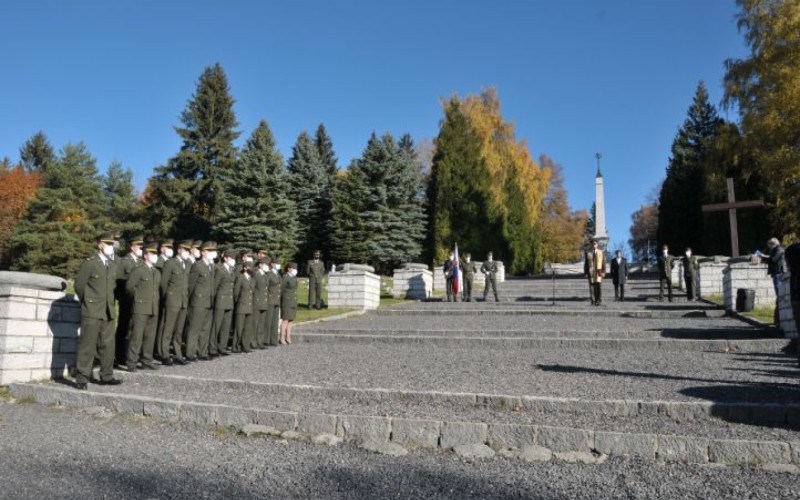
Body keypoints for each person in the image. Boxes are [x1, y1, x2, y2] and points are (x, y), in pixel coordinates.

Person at [73, 231, 122, 390]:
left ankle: (106, 375)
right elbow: (79, 285)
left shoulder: (113, 264)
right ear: (99, 244)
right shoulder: (90, 263)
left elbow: (115, 287)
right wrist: (87, 302)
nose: (110, 247)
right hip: (92, 309)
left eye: (111, 244)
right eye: (108, 244)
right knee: (87, 344)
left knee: (108, 345)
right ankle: (82, 377)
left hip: (108, 310)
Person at [125, 242, 161, 371]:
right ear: (145, 255)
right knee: (136, 336)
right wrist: (138, 298)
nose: (155, 256)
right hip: (140, 307)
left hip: (153, 308)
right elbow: (129, 287)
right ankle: (131, 362)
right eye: (152, 253)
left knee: (150, 337)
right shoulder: (139, 270)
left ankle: (147, 360)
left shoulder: (156, 272)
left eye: (156, 253)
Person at [158, 240, 191, 365]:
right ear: (179, 250)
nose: (187, 252)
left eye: (189, 250)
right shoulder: (170, 263)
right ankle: (164, 354)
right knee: (168, 328)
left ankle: (178, 354)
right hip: (172, 300)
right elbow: (164, 284)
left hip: (183, 300)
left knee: (179, 330)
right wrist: (167, 298)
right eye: (185, 250)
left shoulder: (187, 264)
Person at [114, 234, 143, 367]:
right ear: (132, 247)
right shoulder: (125, 261)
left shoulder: (140, 262)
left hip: (138, 301)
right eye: (139, 246)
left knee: (133, 329)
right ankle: (118, 355)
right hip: (127, 300)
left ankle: (129, 355)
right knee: (123, 328)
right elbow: (119, 282)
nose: (141, 249)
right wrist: (122, 298)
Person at [185, 241, 216, 361]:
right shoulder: (197, 265)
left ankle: (202, 352)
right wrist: (193, 299)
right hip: (198, 301)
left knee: (205, 328)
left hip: (209, 301)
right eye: (210, 251)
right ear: (203, 252)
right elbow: (191, 284)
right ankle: (190, 353)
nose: (212, 253)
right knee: (194, 328)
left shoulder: (211, 266)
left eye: (213, 251)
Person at [757, 237, 787, 325]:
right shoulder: (775, 250)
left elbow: (774, 259)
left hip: (779, 273)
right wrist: (763, 258)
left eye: (769, 245)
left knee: (779, 294)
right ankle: (777, 320)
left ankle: (778, 319)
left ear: (773, 244)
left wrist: (764, 256)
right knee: (778, 294)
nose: (768, 247)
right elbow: (772, 260)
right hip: (776, 273)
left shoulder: (779, 249)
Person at [211, 250, 236, 356]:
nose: (233, 260)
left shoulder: (232, 270)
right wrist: (213, 300)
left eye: (234, 259)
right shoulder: (220, 270)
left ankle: (222, 347)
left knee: (226, 326)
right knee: (216, 326)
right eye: (231, 258)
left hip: (229, 301)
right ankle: (212, 348)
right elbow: (215, 286)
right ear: (225, 258)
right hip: (220, 301)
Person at [233, 262, 255, 352]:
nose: (251, 269)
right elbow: (236, 293)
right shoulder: (240, 278)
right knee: (239, 327)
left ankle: (245, 345)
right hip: (242, 306)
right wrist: (239, 302)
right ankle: (236, 346)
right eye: (249, 267)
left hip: (249, 306)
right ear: (245, 268)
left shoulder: (251, 279)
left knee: (247, 328)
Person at [252, 257, 270, 349]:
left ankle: (260, 341)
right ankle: (253, 342)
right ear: (260, 265)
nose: (267, 266)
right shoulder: (256, 274)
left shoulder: (265, 275)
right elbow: (252, 288)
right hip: (257, 302)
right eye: (265, 264)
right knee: (255, 322)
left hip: (264, 302)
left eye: (267, 264)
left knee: (261, 323)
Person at [280, 262, 299, 345]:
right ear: (289, 269)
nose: (295, 270)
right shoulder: (285, 277)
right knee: (285, 320)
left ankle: (288, 336)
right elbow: (281, 289)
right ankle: (282, 337)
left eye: (296, 269)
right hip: (287, 301)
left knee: (291, 320)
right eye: (293, 268)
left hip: (293, 301)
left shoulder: (294, 278)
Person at [584, 239, 605, 306]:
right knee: (592, 287)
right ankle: (593, 301)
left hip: (598, 271)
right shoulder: (588, 253)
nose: (594, 245)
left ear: (597, 244)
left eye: (595, 244)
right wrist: (586, 272)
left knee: (598, 286)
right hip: (591, 271)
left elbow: (603, 263)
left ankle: (599, 300)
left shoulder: (600, 252)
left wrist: (603, 271)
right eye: (593, 244)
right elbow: (586, 264)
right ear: (591, 245)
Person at [266, 259, 282, 346]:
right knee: (269, 320)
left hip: (277, 299)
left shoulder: (278, 275)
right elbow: (267, 287)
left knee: (275, 321)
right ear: (272, 264)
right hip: (271, 299)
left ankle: (274, 339)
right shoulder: (269, 274)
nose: (278, 265)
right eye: (277, 263)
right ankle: (267, 339)